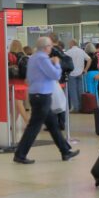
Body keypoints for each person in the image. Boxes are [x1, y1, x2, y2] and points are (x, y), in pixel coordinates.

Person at [12, 37, 79, 165]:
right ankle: (20, 154)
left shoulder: (33, 58)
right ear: (46, 47)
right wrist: (57, 63)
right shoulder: (43, 59)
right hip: (42, 96)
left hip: (36, 95)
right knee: (34, 127)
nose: (51, 48)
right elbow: (55, 75)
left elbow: (29, 77)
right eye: (50, 46)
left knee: (53, 125)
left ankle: (65, 151)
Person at [65, 39, 92, 113]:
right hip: (80, 74)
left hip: (71, 74)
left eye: (69, 43)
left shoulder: (68, 52)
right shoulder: (81, 51)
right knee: (80, 91)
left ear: (72, 43)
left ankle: (76, 108)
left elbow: (64, 62)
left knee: (73, 91)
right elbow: (89, 59)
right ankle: (81, 107)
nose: (69, 45)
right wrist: (85, 69)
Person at [8, 40, 29, 124]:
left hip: (14, 81)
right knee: (16, 104)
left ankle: (27, 122)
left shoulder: (10, 55)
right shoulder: (24, 55)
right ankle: (12, 123)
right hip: (22, 81)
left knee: (17, 102)